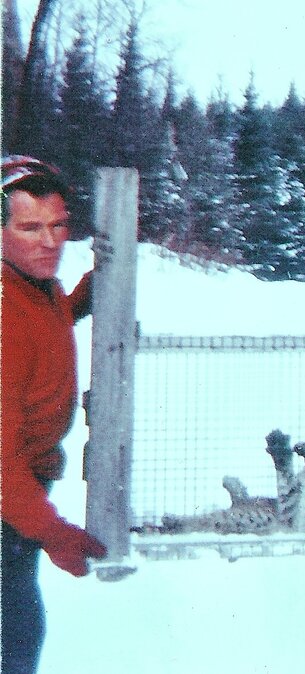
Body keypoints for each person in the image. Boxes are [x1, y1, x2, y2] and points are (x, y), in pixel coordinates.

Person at [1, 155, 108, 674]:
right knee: (15, 631)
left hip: (23, 496)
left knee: (20, 621)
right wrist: (55, 532)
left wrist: (98, 285)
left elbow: (53, 316)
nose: (50, 242)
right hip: (10, 497)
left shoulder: (35, 288)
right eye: (29, 228)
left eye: (58, 225)